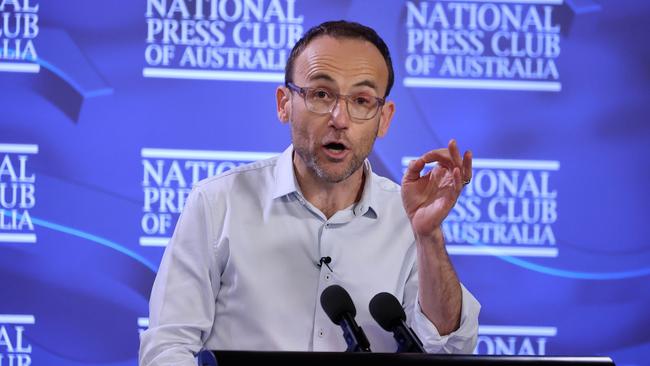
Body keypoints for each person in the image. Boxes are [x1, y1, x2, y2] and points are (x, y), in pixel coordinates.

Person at [139, 20, 480, 366]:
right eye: (321, 94)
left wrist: (428, 236)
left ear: (384, 118)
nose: (339, 118)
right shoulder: (218, 203)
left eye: (361, 100)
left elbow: (449, 351)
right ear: (284, 103)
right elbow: (167, 346)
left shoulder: (407, 217)